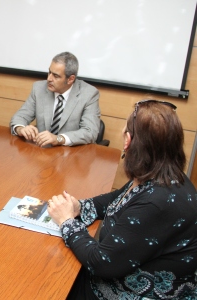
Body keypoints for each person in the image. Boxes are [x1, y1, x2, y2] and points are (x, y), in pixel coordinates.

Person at [47, 100, 197, 299]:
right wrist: (79, 206)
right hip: (121, 272)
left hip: (128, 291)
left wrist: (67, 222)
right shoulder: (159, 174)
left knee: (51, 285)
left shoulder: (157, 201)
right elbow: (115, 199)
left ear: (128, 141)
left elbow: (102, 263)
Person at [10, 52, 100, 147]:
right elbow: (20, 116)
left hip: (72, 154)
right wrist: (21, 128)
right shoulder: (39, 88)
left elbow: (90, 132)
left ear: (70, 79)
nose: (49, 79)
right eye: (49, 72)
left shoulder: (89, 94)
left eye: (56, 76)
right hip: (43, 152)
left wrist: (59, 139)